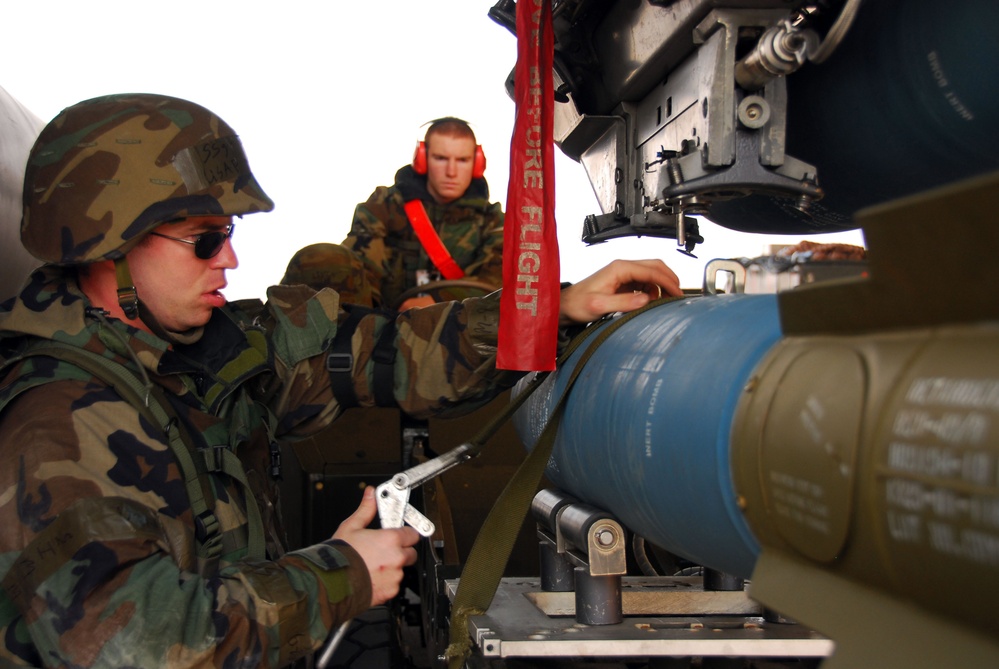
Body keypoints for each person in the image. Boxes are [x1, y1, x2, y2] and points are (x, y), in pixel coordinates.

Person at [0, 92, 682, 668]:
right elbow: (135, 640)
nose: (230, 259)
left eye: (228, 231)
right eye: (204, 239)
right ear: (107, 245)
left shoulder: (197, 353)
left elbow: (381, 351)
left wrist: (553, 310)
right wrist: (340, 571)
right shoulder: (58, 422)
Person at [342, 117, 505, 310]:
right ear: (422, 159)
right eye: (441, 158)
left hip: (459, 331)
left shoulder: (493, 223)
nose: (451, 172)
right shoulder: (386, 206)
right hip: (385, 326)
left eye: (462, 160)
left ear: (477, 164)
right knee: (323, 257)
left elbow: (498, 283)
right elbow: (359, 270)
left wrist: (435, 302)